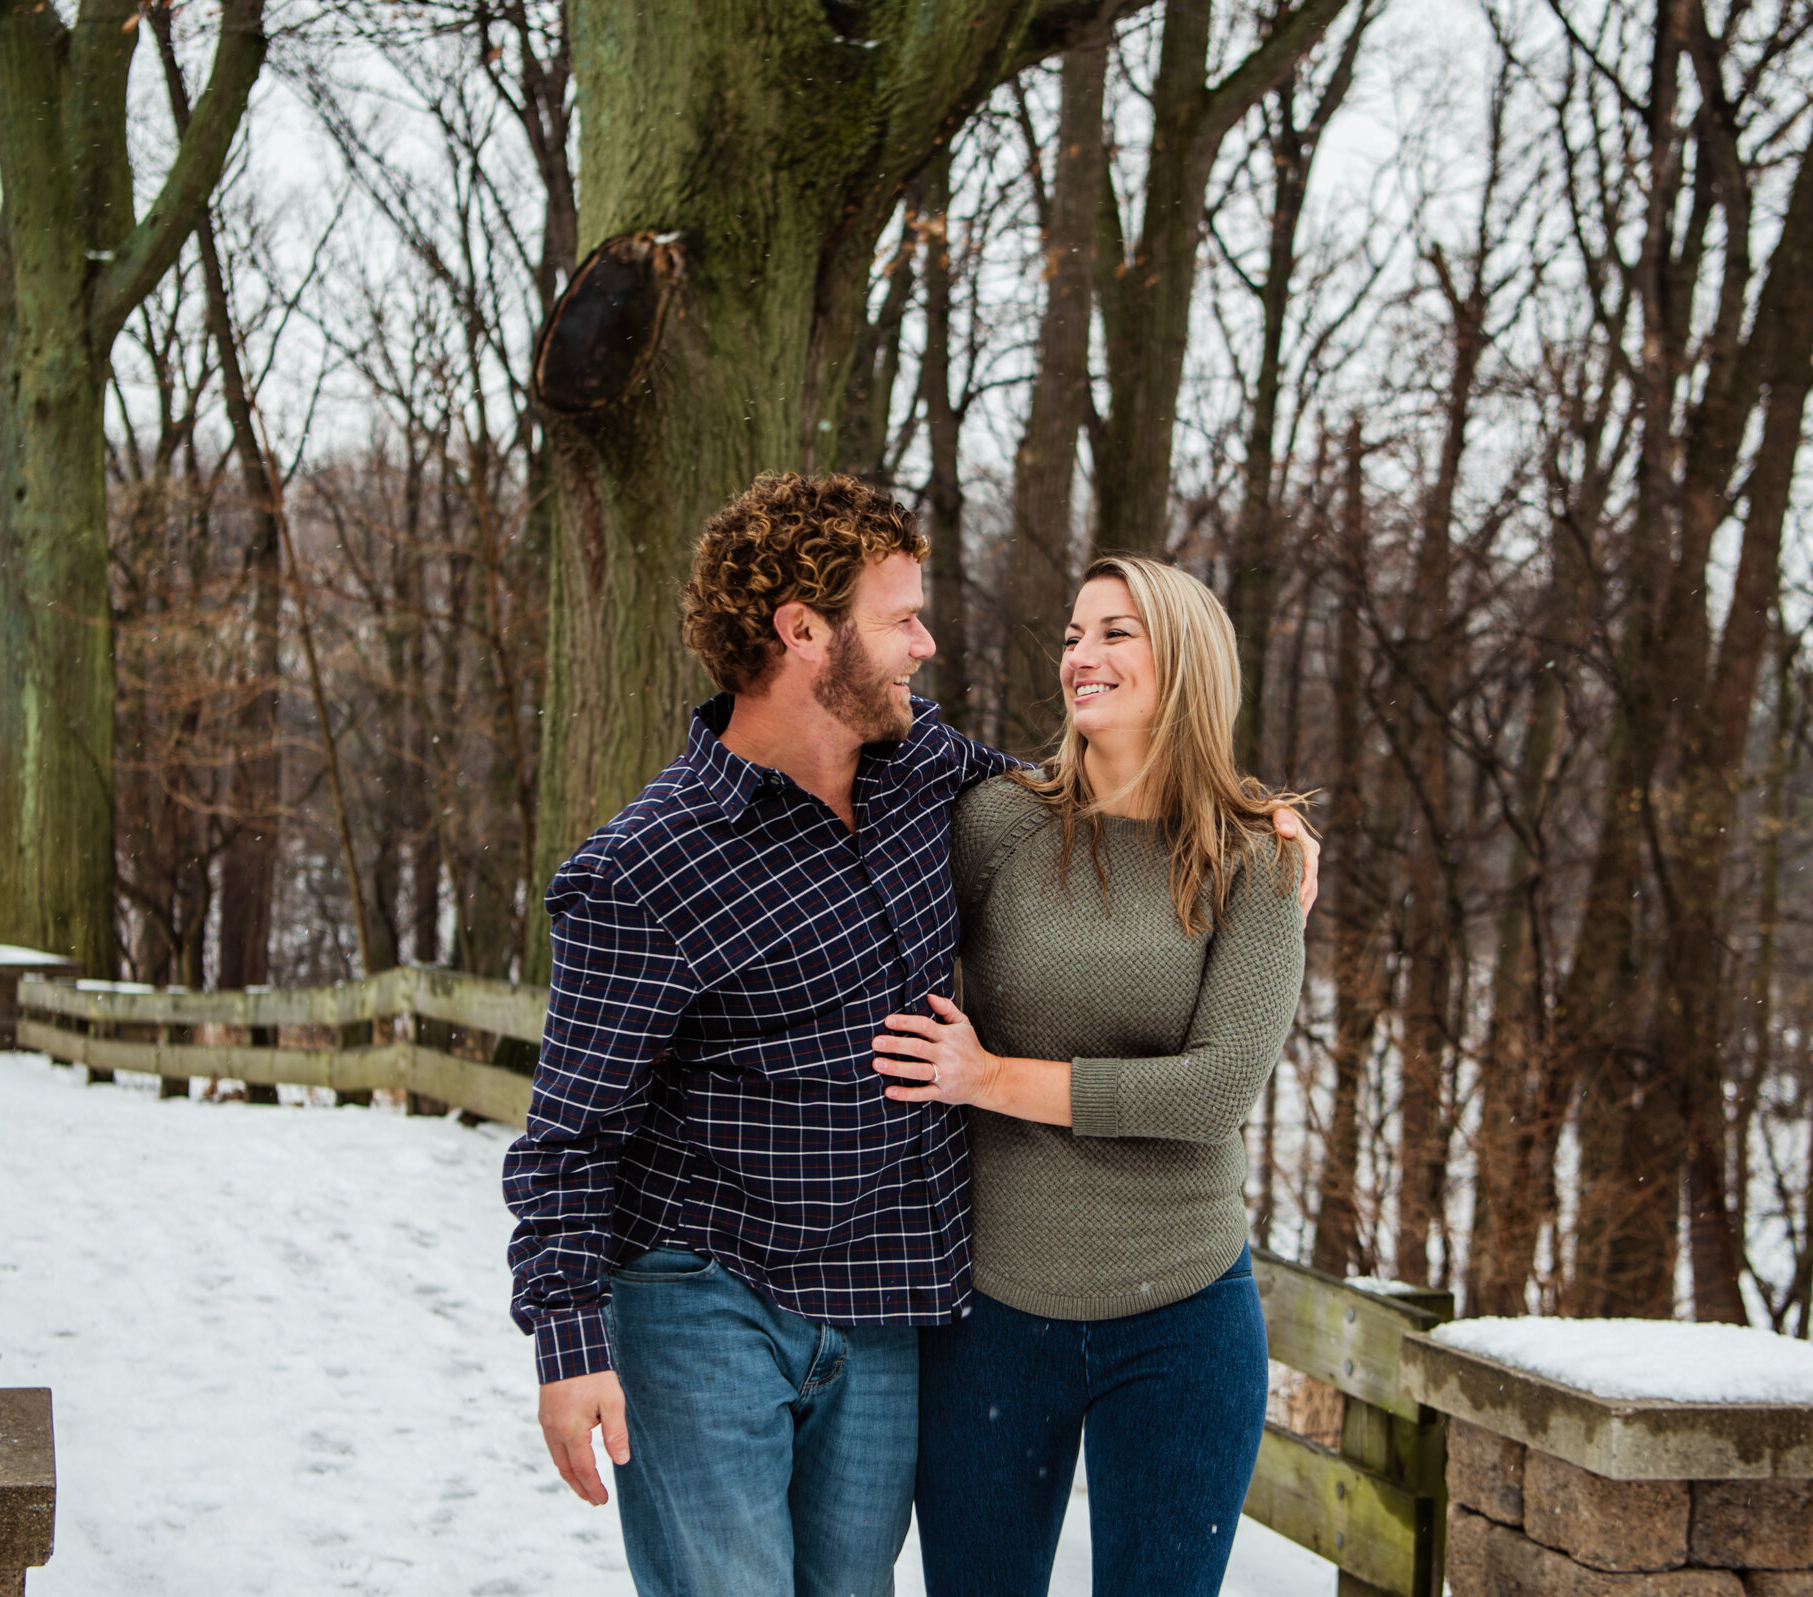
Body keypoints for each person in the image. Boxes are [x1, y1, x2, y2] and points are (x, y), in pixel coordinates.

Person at [502, 478, 1315, 1597]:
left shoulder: (922, 774)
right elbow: (569, 1136)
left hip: (885, 1302)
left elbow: (1108, 825)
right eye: (901, 619)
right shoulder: (647, 867)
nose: (928, 645)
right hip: (712, 1297)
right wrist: (568, 1341)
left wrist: (1256, 821)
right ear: (803, 632)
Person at [869, 555, 1308, 1597]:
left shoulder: (1257, 856)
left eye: (1116, 632)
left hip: (1183, 1321)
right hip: (991, 1315)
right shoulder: (998, 824)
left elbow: (1217, 1091)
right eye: (1072, 634)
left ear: (1186, 659)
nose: (1082, 655)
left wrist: (992, 1079)